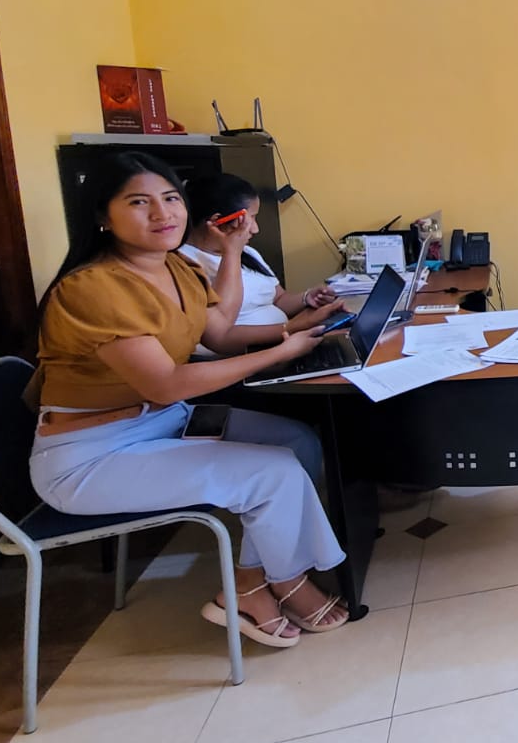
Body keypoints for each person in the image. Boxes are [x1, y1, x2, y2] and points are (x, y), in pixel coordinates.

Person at [29, 151, 349, 648]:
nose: (163, 213)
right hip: (92, 453)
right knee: (272, 472)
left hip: (162, 422)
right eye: (139, 202)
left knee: (298, 443)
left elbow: (219, 334)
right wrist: (280, 352)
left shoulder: (178, 268)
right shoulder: (93, 289)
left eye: (171, 198)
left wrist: (297, 330)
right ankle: (273, 583)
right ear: (102, 216)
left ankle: (256, 578)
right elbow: (166, 384)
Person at [178, 173, 344, 354]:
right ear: (218, 221)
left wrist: (306, 297)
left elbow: (279, 299)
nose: (255, 229)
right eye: (251, 218)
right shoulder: (184, 264)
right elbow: (222, 330)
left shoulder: (248, 253)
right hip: (246, 356)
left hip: (284, 343)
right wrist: (232, 253)